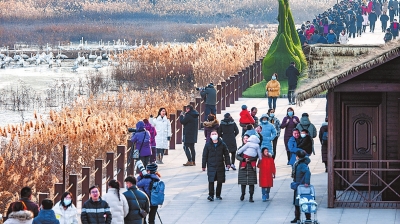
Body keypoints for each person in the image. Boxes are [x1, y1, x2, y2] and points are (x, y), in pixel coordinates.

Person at [202, 130, 231, 201]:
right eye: (212, 134)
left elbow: (226, 154)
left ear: (218, 135)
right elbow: (204, 156)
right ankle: (211, 195)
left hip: (220, 165)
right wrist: (203, 165)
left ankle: (218, 194)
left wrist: (228, 163)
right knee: (211, 180)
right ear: (210, 136)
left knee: (219, 181)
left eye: (215, 134)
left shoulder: (222, 144)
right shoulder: (208, 145)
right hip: (211, 165)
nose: (214, 135)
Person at [290, 150, 311, 223]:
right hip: (298, 186)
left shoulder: (301, 164)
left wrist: (306, 183)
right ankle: (297, 217)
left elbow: (308, 172)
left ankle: (307, 218)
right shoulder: (299, 163)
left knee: (303, 202)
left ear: (298, 157)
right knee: (297, 203)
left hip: (301, 187)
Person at [236, 135, 258, 202]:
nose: (245, 139)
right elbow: (237, 156)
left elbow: (256, 156)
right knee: (243, 182)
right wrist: (243, 159)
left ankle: (251, 196)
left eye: (247, 138)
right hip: (243, 167)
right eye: (244, 138)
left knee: (251, 183)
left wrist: (250, 159)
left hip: (251, 167)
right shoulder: (241, 147)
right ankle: (243, 194)